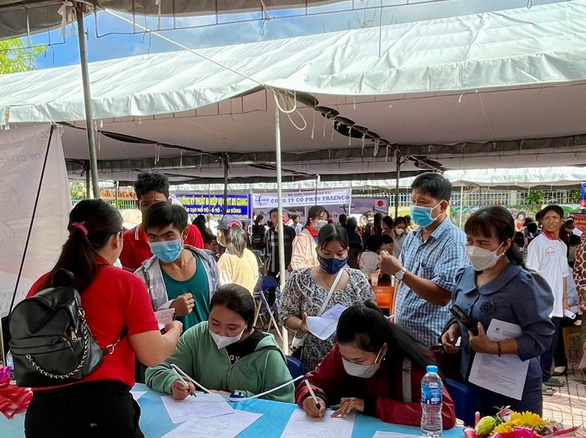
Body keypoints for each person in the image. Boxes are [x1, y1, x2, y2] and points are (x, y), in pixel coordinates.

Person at [23, 199, 182, 438]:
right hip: (102, 412)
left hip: (43, 413)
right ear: (117, 239)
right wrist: (175, 329)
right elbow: (153, 355)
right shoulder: (125, 283)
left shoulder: (42, 284)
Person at [441, 206, 554, 415]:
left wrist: (495, 348)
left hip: (512, 389)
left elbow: (542, 337)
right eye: (470, 241)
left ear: (505, 245)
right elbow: (459, 312)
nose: (474, 248)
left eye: (483, 243)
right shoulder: (466, 275)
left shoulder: (523, 284)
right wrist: (453, 330)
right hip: (472, 381)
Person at [298, 302, 456, 427]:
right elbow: (312, 381)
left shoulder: (412, 364)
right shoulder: (343, 352)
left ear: (383, 349)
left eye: (359, 361)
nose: (350, 364)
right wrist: (312, 397)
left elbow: (444, 415)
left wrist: (373, 407)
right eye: (345, 358)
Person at [146, 284, 294, 402]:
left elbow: (284, 402)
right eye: (214, 323)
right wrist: (172, 383)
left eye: (232, 327)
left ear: (247, 323)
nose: (221, 333)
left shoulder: (267, 353)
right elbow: (155, 370)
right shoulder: (197, 336)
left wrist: (238, 396)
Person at [379, 172, 468, 346]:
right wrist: (395, 314)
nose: (416, 207)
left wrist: (399, 271)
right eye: (413, 201)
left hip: (430, 340)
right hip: (403, 334)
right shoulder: (412, 237)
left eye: (423, 202)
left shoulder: (454, 242)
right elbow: (400, 280)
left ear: (442, 206)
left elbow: (443, 296)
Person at [279, 224, 375, 371]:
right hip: (313, 361)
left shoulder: (358, 280)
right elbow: (285, 314)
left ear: (347, 252)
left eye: (340, 254)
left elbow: (372, 314)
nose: (333, 259)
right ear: (317, 250)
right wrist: (301, 325)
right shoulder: (299, 279)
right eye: (327, 253)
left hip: (352, 360)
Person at [135, 202, 220, 332]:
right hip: (170, 351)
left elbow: (218, 306)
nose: (161, 243)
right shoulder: (142, 277)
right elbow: (140, 325)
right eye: (153, 237)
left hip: (207, 348)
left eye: (169, 235)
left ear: (184, 233)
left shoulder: (208, 262)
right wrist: (171, 311)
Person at [120, 172, 204, 271]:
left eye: (158, 203)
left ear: (169, 202)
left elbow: (200, 268)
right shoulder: (129, 239)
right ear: (138, 205)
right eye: (146, 204)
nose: (153, 210)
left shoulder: (190, 232)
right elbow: (131, 280)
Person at [526, 205, 569, 389]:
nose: (551, 221)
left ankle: (545, 374)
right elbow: (531, 271)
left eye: (555, 217)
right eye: (547, 218)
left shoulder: (562, 245)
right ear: (542, 221)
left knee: (552, 341)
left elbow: (564, 275)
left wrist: (564, 299)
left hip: (557, 304)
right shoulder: (537, 243)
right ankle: (537, 379)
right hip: (542, 302)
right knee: (540, 341)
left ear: (561, 221)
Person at [217, 216, 260, 294]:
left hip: (232, 303)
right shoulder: (250, 255)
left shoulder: (226, 258)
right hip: (248, 301)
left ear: (221, 233)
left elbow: (223, 288)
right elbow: (255, 279)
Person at [290, 205, 328, 270]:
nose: (324, 221)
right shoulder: (301, 239)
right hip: (309, 277)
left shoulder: (326, 237)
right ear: (311, 220)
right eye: (321, 219)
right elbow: (296, 264)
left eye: (326, 219)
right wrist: (315, 272)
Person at [266, 208, 297, 279]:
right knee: (272, 288)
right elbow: (268, 252)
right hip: (273, 267)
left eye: (278, 216)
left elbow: (294, 249)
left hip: (287, 267)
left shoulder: (290, 231)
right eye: (274, 216)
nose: (276, 218)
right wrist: (266, 267)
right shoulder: (268, 233)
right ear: (270, 218)